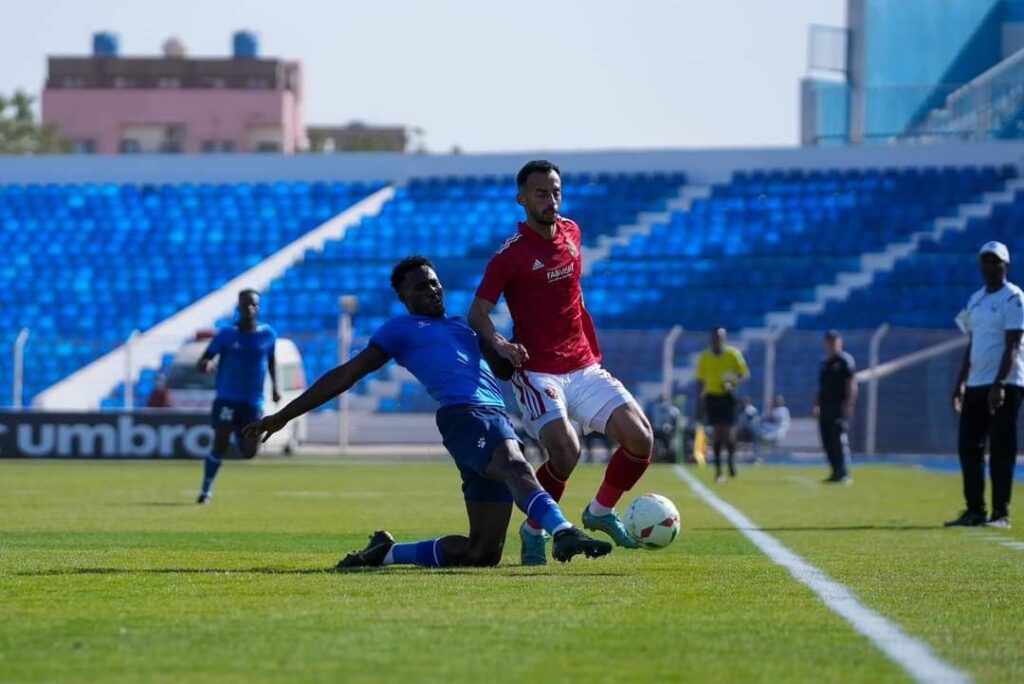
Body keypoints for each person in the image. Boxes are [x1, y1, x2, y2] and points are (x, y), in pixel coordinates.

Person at [245, 256, 612, 569]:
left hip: (493, 415)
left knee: (481, 554)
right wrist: (284, 415)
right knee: (517, 467)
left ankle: (386, 554)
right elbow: (346, 374)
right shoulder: (401, 329)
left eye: (434, 284)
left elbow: (501, 371)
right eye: (420, 287)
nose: (432, 291)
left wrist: (507, 350)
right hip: (467, 416)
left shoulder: (464, 328)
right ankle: (563, 531)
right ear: (402, 297)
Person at [468, 160, 655, 564]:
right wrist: (500, 343)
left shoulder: (572, 232)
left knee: (641, 438)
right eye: (540, 193)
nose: (551, 200)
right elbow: (478, 313)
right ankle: (535, 529)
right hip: (537, 372)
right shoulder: (510, 256)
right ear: (522, 199)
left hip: (584, 366)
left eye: (556, 191)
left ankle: (601, 512)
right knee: (567, 451)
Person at [946, 241, 1023, 529]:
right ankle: (974, 509)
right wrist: (960, 382)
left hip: (1005, 383)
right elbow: (972, 344)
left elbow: (1013, 345)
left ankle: (1000, 513)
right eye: (986, 261)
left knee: (1002, 449)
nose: (990, 266)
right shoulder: (976, 299)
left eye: (996, 261)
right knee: (969, 447)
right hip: (976, 384)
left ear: (1007, 265)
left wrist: (999, 384)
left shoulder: (1014, 298)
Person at [195, 289, 280, 504]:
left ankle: (239, 434)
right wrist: (206, 365)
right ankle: (205, 490)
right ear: (239, 306)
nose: (249, 308)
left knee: (249, 452)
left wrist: (276, 388)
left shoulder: (268, 335)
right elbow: (204, 359)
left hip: (253, 402)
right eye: (245, 304)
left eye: (253, 305)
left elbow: (271, 361)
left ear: (258, 308)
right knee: (221, 441)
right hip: (227, 398)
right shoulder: (226, 334)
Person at [694, 328, 750, 482]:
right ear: (711, 339)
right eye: (715, 337)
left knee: (729, 433)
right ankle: (718, 469)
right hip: (712, 397)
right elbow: (700, 381)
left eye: (721, 337)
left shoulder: (732, 354)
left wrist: (733, 382)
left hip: (728, 397)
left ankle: (731, 461)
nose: (718, 340)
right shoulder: (705, 357)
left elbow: (744, 373)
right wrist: (700, 402)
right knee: (717, 433)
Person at [814, 330, 856, 484]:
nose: (831, 345)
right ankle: (834, 471)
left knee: (838, 438)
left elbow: (851, 382)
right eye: (829, 342)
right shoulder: (824, 364)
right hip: (825, 406)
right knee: (827, 439)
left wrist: (849, 403)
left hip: (838, 406)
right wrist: (817, 406)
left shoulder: (845, 361)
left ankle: (844, 472)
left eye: (834, 342)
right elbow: (821, 388)